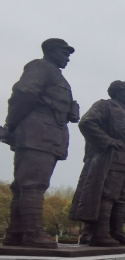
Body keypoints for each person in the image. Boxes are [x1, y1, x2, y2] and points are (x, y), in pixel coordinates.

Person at [2, 38, 80, 248]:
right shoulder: (40, 67)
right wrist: (10, 125)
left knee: (24, 185)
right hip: (37, 133)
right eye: (64, 53)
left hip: (48, 134)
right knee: (33, 184)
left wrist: (70, 110)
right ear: (50, 50)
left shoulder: (57, 75)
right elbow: (24, 94)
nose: (67, 58)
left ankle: (16, 233)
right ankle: (33, 232)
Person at [69, 81, 125, 247]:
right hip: (112, 159)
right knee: (108, 194)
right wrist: (107, 141)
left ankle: (117, 231)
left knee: (122, 198)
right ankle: (100, 232)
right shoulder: (104, 106)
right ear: (116, 92)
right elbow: (86, 122)